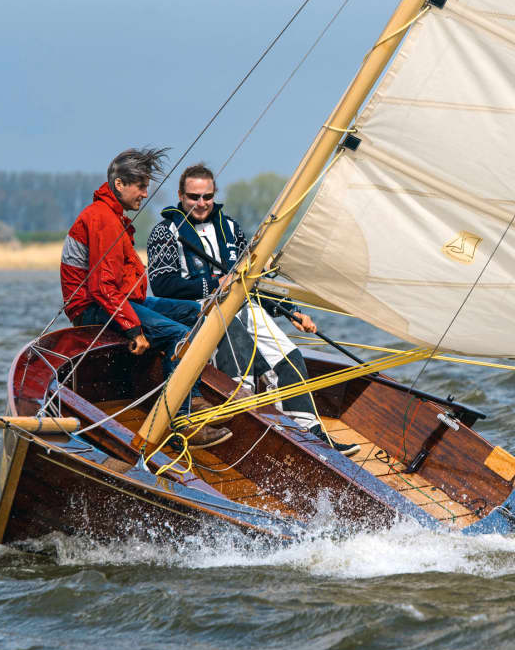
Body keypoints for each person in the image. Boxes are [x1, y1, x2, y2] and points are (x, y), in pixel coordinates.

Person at [146, 163, 359, 456]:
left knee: (290, 357)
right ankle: (243, 440)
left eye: (207, 196)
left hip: (243, 305)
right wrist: (213, 283)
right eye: (194, 197)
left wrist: (290, 311)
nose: (201, 203)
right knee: (240, 357)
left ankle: (311, 436)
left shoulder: (231, 228)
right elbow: (161, 284)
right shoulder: (164, 233)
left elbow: (254, 278)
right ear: (180, 195)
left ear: (214, 195)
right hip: (199, 311)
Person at [60, 148, 231, 448]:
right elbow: (102, 288)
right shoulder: (102, 219)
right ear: (119, 184)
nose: (145, 193)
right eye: (140, 185)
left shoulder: (112, 216)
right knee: (178, 334)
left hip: (119, 302)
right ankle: (182, 425)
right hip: (94, 309)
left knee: (192, 313)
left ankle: (191, 395)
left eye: (146, 185)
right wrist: (134, 329)